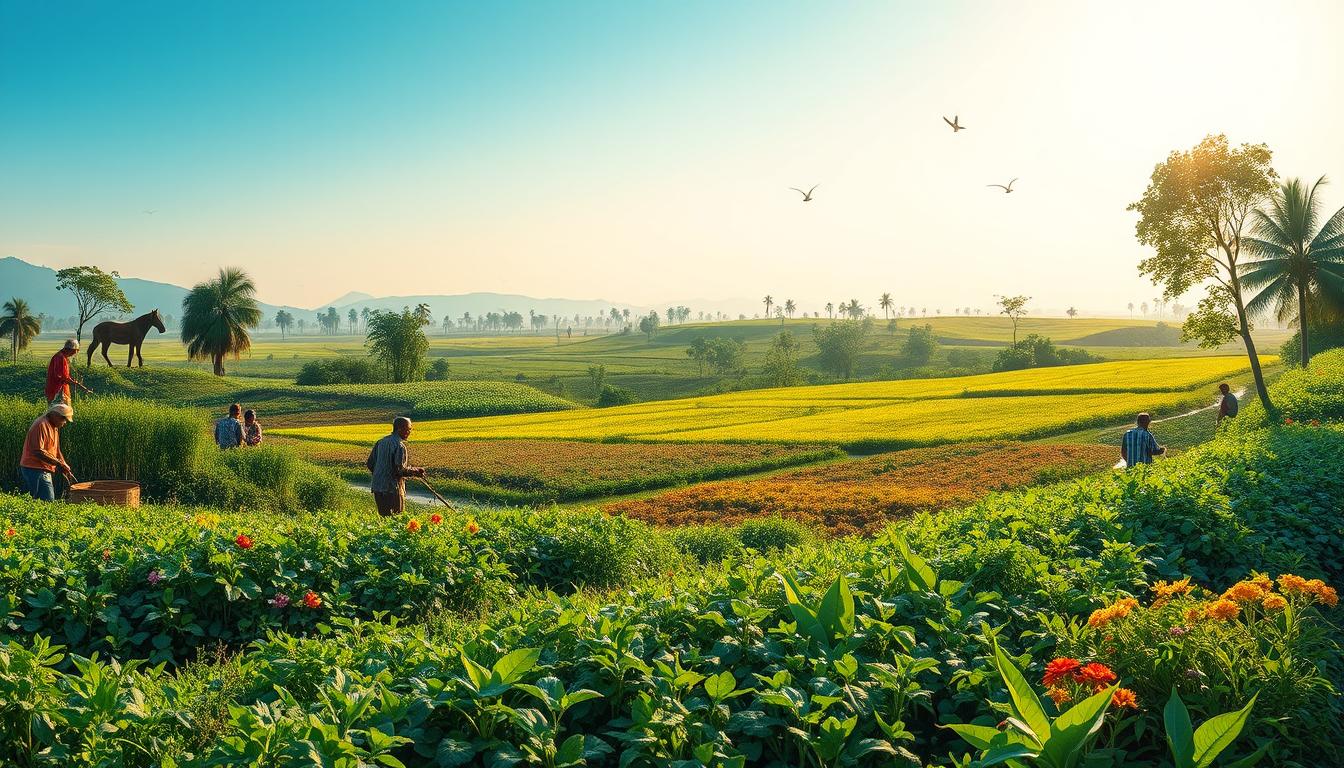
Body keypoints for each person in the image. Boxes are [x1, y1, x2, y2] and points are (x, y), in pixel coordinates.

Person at [366, 416, 425, 516]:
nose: (409, 432)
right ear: (400, 428)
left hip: (378, 488)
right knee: (396, 520)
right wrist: (415, 472)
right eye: (408, 429)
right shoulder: (399, 446)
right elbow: (399, 471)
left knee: (384, 519)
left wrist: (380, 475)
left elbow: (370, 464)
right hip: (393, 489)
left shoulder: (381, 442)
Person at [19, 403, 76, 501]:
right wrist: (59, 464)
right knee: (42, 501)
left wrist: (64, 464)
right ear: (55, 415)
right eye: (64, 419)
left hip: (44, 469)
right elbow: (37, 451)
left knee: (46, 502)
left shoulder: (54, 427)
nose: (65, 422)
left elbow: (56, 449)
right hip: (33, 469)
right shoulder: (41, 425)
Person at [45, 339, 91, 404]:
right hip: (57, 391)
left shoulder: (62, 357)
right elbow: (61, 377)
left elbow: (65, 376)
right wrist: (78, 385)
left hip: (57, 390)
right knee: (61, 411)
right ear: (71, 350)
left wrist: (80, 386)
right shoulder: (60, 358)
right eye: (74, 352)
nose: (73, 354)